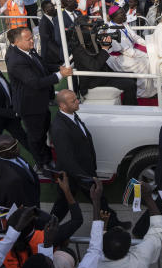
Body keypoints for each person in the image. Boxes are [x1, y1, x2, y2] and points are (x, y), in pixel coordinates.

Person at [48, 89, 122, 227]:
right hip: (77, 173)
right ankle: (113, 223)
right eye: (73, 101)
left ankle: (47, 226)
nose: (78, 102)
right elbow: (66, 158)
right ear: (63, 106)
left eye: (76, 98)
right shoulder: (60, 128)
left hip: (80, 171)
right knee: (97, 198)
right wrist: (87, 177)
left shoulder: (71, 115)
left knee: (63, 204)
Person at [5, 26, 72, 171]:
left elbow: (42, 65)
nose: (32, 41)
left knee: (43, 131)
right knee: (36, 136)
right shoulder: (15, 60)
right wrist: (61, 75)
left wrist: (58, 67)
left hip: (40, 102)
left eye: (32, 38)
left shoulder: (28, 50)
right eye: (28, 39)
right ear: (16, 42)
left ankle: (46, 158)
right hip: (30, 106)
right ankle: (43, 164)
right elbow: (35, 82)